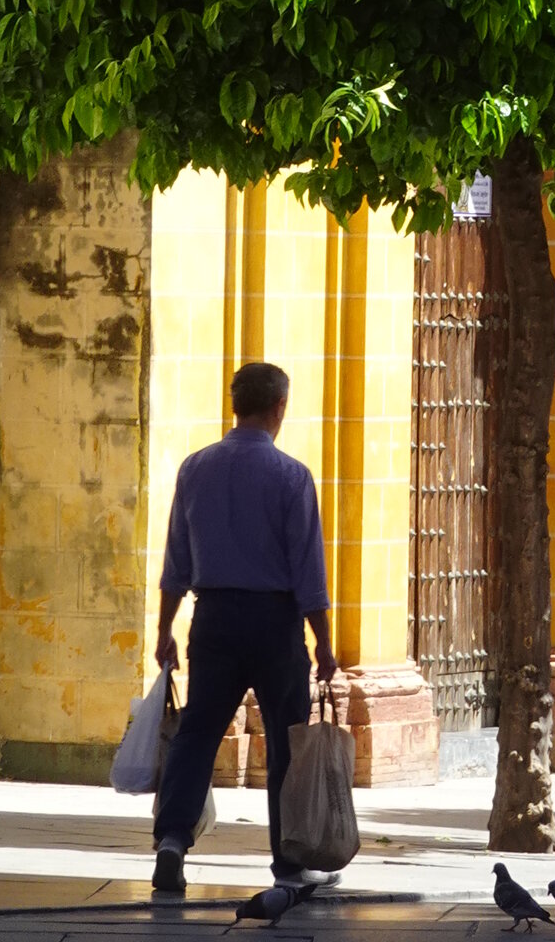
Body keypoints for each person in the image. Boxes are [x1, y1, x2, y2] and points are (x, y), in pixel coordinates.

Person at [151, 361, 336, 899]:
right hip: (276, 625)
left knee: (197, 735)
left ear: (236, 404)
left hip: (214, 619)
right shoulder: (292, 476)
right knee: (287, 745)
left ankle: (172, 841)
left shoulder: (195, 468)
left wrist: (165, 629)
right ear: (280, 406)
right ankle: (289, 862)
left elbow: (175, 560)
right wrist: (322, 640)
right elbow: (309, 570)